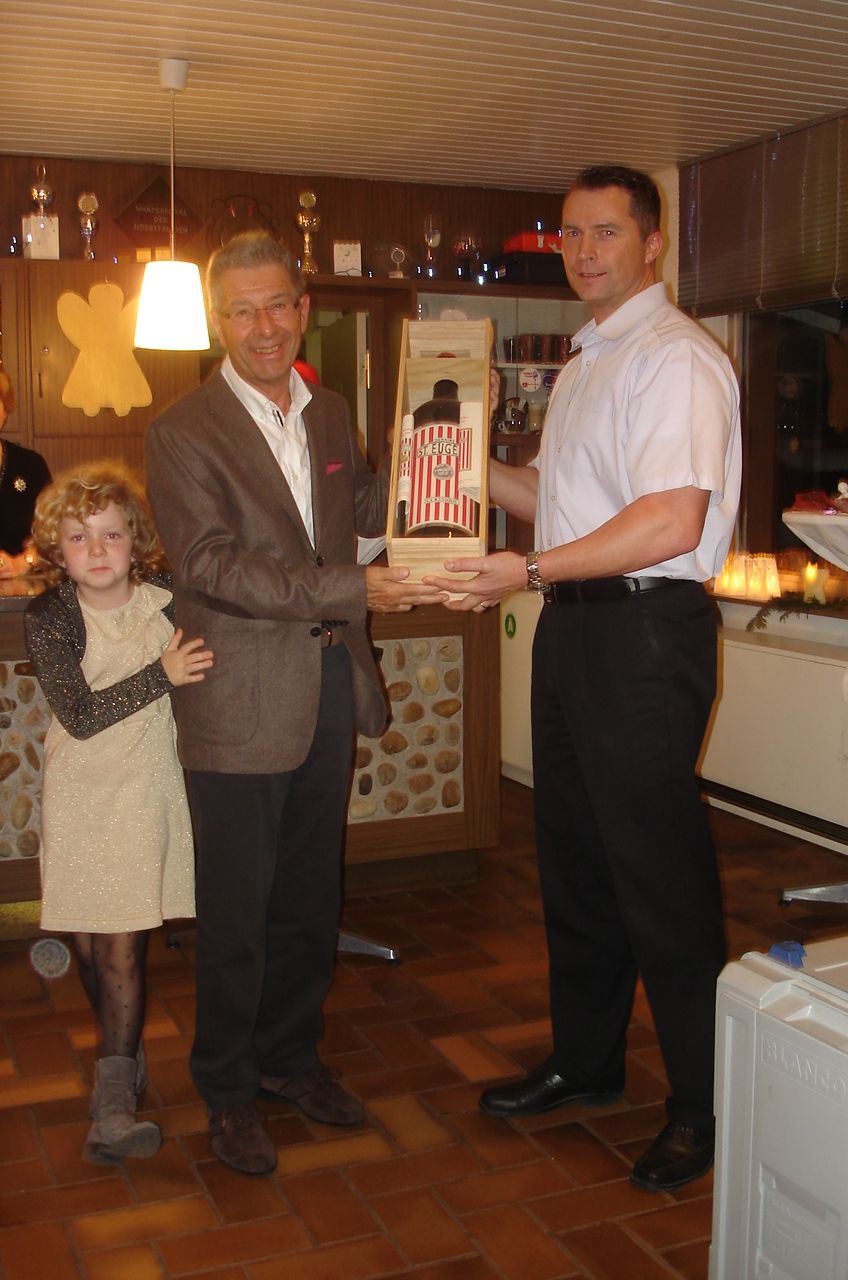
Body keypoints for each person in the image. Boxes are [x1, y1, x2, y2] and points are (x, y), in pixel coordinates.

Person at [425, 165, 742, 1191]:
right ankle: (588, 1059)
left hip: (642, 632)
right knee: (575, 861)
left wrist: (527, 571)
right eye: (570, 233)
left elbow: (670, 523)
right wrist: (451, 462)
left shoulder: (676, 359)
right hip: (575, 628)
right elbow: (558, 505)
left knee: (659, 874)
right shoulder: (588, 359)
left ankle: (702, 1105)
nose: (585, 250)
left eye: (607, 231)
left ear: (653, 243)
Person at [146, 231, 442, 1176]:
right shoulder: (183, 430)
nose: (264, 326)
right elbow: (210, 567)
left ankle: (289, 1059)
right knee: (238, 911)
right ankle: (229, 1091)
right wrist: (353, 588)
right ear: (218, 323)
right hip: (235, 699)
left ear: (304, 309)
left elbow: (358, 519)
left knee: (311, 895)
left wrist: (433, 474)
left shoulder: (331, 412)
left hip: (326, 685)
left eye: (278, 304)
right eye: (242, 311)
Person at [24, 461, 211, 1165]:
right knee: (87, 942)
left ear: (136, 540)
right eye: (79, 537)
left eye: (110, 534)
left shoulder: (170, 601)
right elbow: (78, 714)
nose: (96, 550)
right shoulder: (50, 616)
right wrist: (162, 674)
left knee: (122, 944)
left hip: (142, 787)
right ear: (57, 548)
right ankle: (121, 1057)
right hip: (79, 789)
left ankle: (112, 1107)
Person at [0, 367, 51, 578]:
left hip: (23, 585)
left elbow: (57, 531)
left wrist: (23, 562)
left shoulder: (31, 465)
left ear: (5, 410)